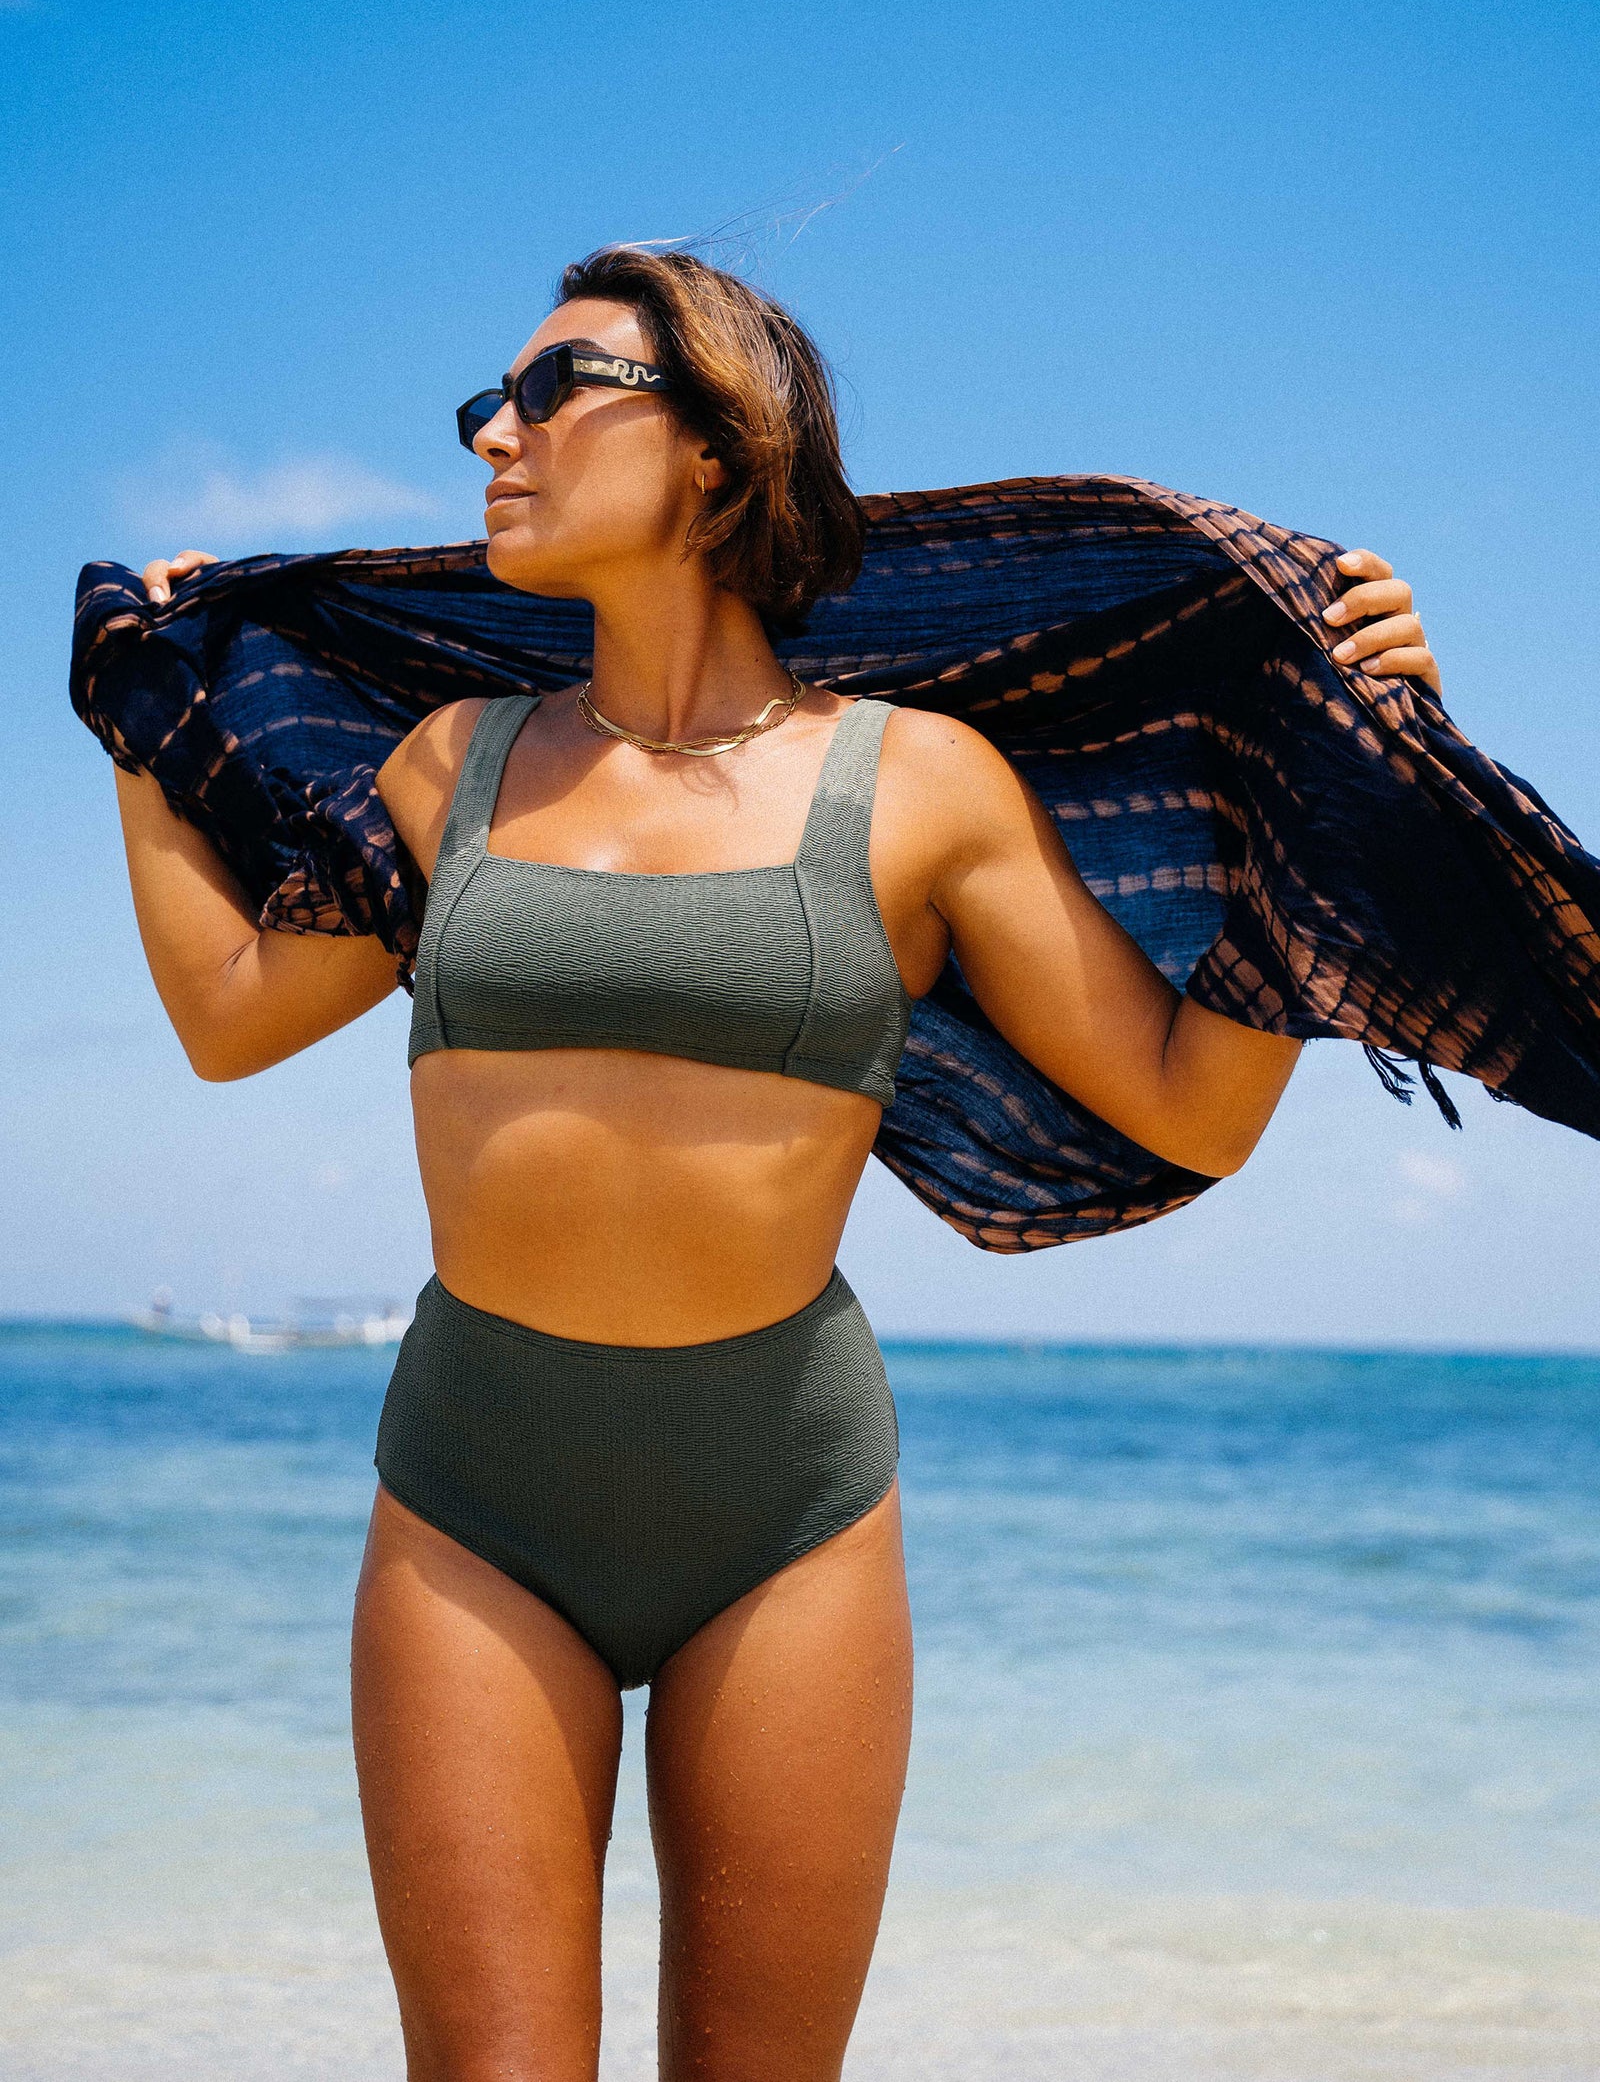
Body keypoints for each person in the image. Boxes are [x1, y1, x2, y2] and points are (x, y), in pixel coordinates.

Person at [116, 246, 1440, 2082]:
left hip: (786, 1511)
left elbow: (1188, 1104)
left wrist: (1336, 782)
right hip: (470, 1497)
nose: (495, 434)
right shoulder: (449, 765)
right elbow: (229, 1012)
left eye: (553, 387)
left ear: (721, 454)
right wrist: (142, 708)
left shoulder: (919, 786)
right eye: (481, 406)